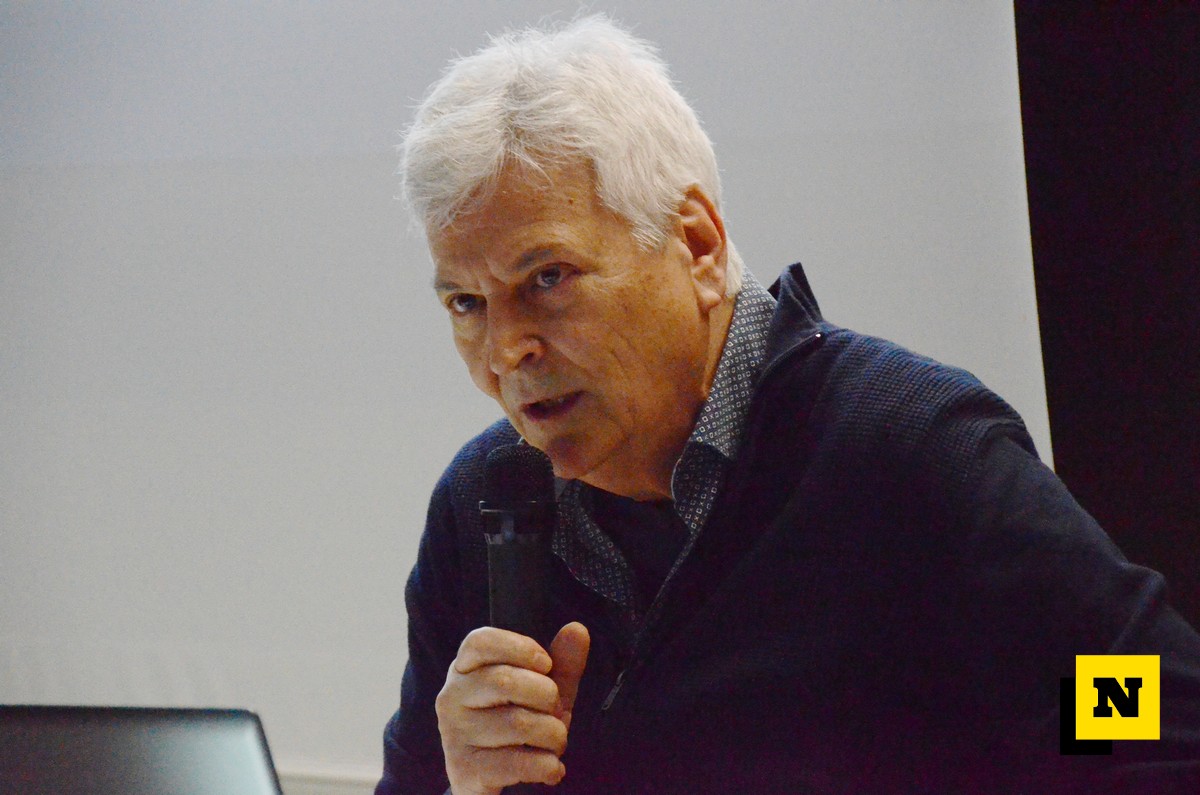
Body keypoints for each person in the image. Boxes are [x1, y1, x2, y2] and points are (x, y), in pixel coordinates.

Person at [376, 16, 1200, 794]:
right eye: (466, 303)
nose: (504, 350)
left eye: (546, 278)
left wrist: (1025, 757)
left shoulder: (906, 452)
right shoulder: (481, 510)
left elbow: (1145, 708)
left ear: (697, 244)